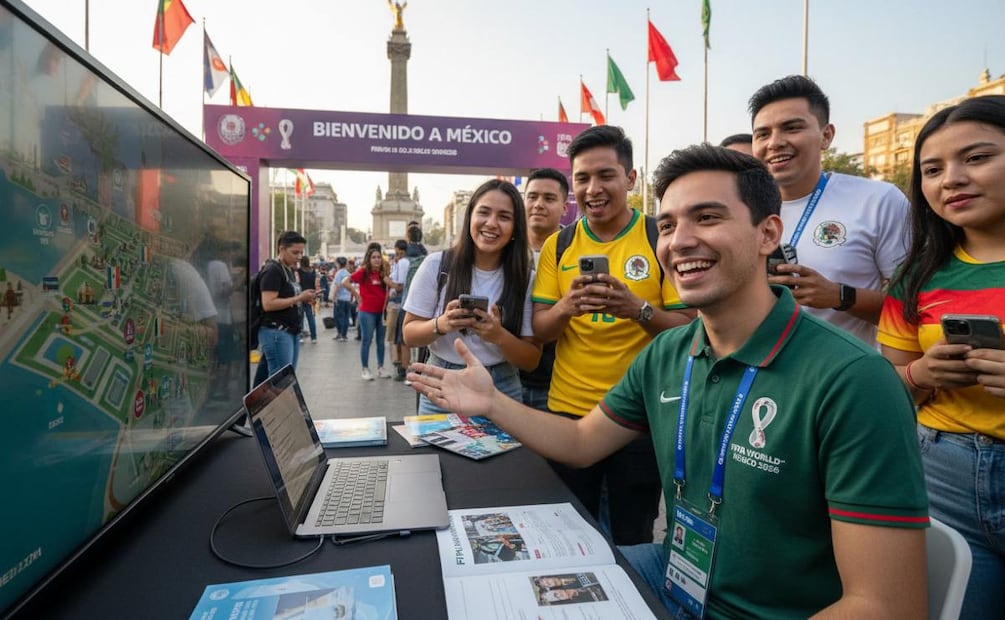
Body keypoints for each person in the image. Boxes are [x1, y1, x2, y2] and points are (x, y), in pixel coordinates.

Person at [411, 145, 929, 619]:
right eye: (668, 224)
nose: (680, 241)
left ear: (768, 234)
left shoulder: (854, 381)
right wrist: (492, 403)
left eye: (707, 218)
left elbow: (887, 606)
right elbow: (581, 441)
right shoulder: (667, 352)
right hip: (671, 576)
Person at [531, 125, 693, 546]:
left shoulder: (661, 238)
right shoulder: (559, 245)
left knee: (632, 536)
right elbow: (540, 330)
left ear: (631, 178)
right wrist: (566, 306)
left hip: (639, 418)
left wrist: (637, 309)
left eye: (606, 175)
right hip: (568, 413)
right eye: (582, 178)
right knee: (569, 535)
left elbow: (690, 327)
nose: (593, 189)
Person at [877, 95, 1005, 618]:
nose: (951, 179)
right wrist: (919, 374)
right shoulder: (917, 276)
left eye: (977, 158)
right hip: (942, 476)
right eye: (932, 169)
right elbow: (885, 386)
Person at [749, 74, 911, 345]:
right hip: (759, 366)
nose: (774, 143)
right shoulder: (743, 208)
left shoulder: (878, 200)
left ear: (826, 136)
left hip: (845, 369)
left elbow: (916, 307)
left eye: (792, 128)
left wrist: (840, 296)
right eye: (763, 134)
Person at [402, 179, 541, 412]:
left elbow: (531, 360)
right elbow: (409, 335)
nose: (491, 223)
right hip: (441, 382)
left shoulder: (526, 279)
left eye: (504, 217)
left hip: (502, 386)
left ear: (516, 227)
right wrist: (442, 324)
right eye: (484, 212)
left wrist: (498, 335)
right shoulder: (436, 265)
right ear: (470, 218)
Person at [520, 167, 568, 411]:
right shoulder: (501, 251)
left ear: (565, 207)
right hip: (506, 380)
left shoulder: (577, 251)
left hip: (559, 382)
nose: (539, 204)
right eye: (532, 197)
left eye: (549, 198)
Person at [254, 231, 315, 386]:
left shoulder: (288, 270)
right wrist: (299, 298)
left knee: (280, 379)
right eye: (295, 252)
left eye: (301, 252)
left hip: (290, 331)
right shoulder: (273, 270)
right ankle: (278, 403)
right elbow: (268, 304)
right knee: (282, 382)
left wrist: (303, 298)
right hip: (277, 331)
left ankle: (263, 402)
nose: (299, 256)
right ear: (281, 249)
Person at [343, 245, 392, 380]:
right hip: (367, 312)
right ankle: (365, 369)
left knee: (381, 341)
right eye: (373, 257)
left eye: (378, 257)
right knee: (366, 340)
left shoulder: (383, 273)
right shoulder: (363, 272)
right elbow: (345, 282)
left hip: (382, 312)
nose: (377, 260)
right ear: (369, 259)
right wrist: (356, 295)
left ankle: (381, 368)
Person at [385, 239, 410, 379]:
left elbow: (399, 286)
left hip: (398, 303)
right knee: (399, 337)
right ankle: (402, 366)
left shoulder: (402, 263)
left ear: (399, 250)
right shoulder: (405, 262)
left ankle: (402, 367)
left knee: (397, 337)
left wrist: (386, 280)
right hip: (403, 302)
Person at [296, 256, 319, 344]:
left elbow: (297, 282)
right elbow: (316, 283)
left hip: (302, 295)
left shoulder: (299, 271)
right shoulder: (313, 271)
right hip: (311, 295)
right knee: (311, 317)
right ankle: (314, 337)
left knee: (300, 317)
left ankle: (300, 336)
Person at [330, 257, 352, 342]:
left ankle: (340, 334)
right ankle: (344, 335)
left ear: (338, 264)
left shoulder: (338, 273)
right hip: (347, 298)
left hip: (340, 298)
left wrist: (334, 297)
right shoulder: (348, 273)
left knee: (338, 317)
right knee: (346, 316)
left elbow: (337, 286)